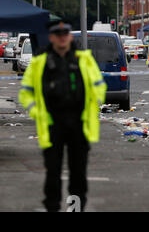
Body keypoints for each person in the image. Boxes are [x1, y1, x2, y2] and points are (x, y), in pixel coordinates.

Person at [19, 20, 107, 212]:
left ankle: (75, 208)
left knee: (78, 172)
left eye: (65, 34)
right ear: (51, 38)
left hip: (79, 122)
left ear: (69, 36)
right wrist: (36, 111)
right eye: (58, 35)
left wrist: (94, 106)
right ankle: (52, 207)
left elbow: (99, 86)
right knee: (53, 171)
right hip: (52, 123)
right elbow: (26, 92)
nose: (62, 38)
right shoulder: (39, 62)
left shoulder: (84, 59)